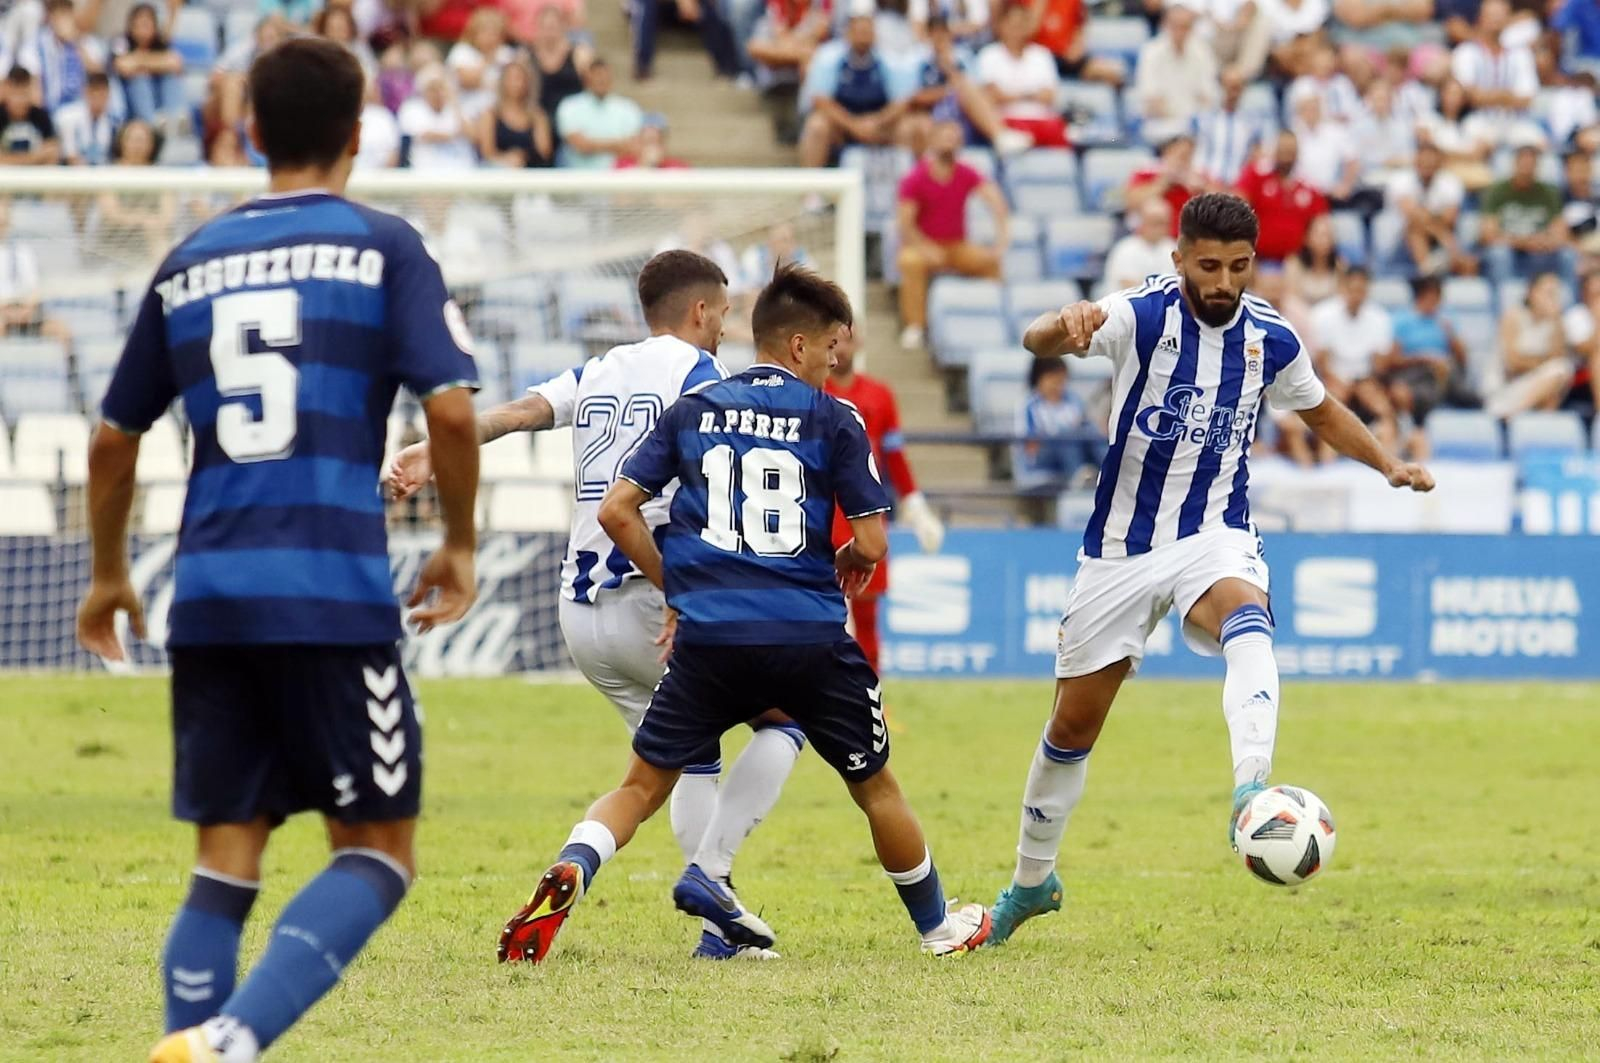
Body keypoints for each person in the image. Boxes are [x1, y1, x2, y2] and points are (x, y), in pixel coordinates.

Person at [75, 38, 482, 1063]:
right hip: (332, 592)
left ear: (247, 131)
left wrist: (111, 572)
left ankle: (188, 1042)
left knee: (224, 864)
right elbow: (452, 411)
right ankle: (230, 1041)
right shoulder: (385, 247)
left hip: (208, 592)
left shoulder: (189, 259)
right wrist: (463, 544)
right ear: (357, 136)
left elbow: (112, 437)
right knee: (381, 854)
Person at [498, 264, 992, 965]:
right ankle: (937, 925)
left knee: (641, 784)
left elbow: (615, 510)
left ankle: (576, 863)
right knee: (875, 783)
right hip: (807, 633)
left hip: (707, 636)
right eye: (830, 349)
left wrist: (678, 587)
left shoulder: (695, 406)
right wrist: (853, 554)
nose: (835, 363)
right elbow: (875, 539)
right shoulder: (836, 416)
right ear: (797, 346)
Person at [990, 193, 1433, 944]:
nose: (1222, 280)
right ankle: (1032, 883)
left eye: (1236, 266)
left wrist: (1386, 462)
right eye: (1206, 266)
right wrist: (1061, 322)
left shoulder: (1271, 338)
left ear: (1252, 262)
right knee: (1071, 726)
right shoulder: (1142, 315)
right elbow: (1039, 341)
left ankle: (1250, 788)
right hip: (1121, 549)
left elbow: (1321, 411)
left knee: (1246, 612)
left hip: (1214, 530)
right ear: (1179, 260)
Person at [387, 250, 808, 962]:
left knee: (682, 761)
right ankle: (714, 888)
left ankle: (583, 867)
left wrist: (437, 443)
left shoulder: (602, 369)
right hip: (655, 604)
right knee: (787, 716)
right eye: (724, 314)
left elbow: (521, 413)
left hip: (579, 618)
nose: (725, 329)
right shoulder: (702, 378)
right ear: (701, 311)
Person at [823, 323, 944, 670]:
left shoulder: (880, 395)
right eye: (836, 341)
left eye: (848, 340)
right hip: (821, 516)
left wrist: (915, 506)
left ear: (859, 342)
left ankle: (870, 698)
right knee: (822, 619)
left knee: (868, 615)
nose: (842, 349)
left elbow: (894, 456)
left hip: (864, 516)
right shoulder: (815, 393)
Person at [894, 118, 1009, 349]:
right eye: (946, 137)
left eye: (955, 139)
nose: (950, 143)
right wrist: (925, 248)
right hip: (924, 245)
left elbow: (995, 200)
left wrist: (1001, 242)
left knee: (990, 263)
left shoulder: (965, 173)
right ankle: (915, 325)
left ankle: (991, 316)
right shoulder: (915, 178)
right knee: (910, 262)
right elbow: (905, 224)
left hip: (956, 246)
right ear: (933, 141)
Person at [901, 15, 1031, 158]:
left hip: (962, 113)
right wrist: (947, 90)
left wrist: (948, 67)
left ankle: (1000, 136)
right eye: (934, 33)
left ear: (949, 35)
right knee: (917, 125)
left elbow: (976, 91)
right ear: (928, 35)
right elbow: (914, 97)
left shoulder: (964, 57)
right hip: (931, 113)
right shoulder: (918, 60)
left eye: (942, 33)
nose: (939, 38)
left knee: (965, 87)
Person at [797, 15, 912, 168]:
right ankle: (810, 187)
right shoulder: (829, 56)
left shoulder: (888, 59)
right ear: (848, 33)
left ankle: (908, 186)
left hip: (879, 124)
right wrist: (853, 125)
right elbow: (820, 100)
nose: (863, 36)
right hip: (841, 126)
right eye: (859, 31)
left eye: (867, 31)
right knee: (817, 125)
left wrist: (877, 122)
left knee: (909, 128)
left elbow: (901, 102)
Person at [1309, 266, 1401, 451]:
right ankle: (1327, 459)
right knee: (1332, 406)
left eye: (1361, 290)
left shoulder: (1379, 317)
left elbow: (1379, 365)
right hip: (1334, 378)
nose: (1356, 295)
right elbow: (1322, 363)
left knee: (1383, 409)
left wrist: (1363, 383)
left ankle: (1389, 460)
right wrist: (1341, 384)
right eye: (1352, 289)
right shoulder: (1322, 315)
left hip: (1365, 379)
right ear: (1343, 288)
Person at [1485, 270, 1584, 417]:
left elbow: (1558, 360)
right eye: (1548, 293)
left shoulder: (1555, 323)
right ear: (1532, 293)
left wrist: (1557, 321)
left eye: (1556, 294)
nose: (1553, 299)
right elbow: (1513, 363)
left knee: (1561, 371)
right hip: (1503, 389)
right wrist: (1541, 363)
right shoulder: (1512, 317)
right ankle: (1511, 416)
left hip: (1534, 388)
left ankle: (1538, 426)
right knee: (1558, 370)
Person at [1384, 274, 1475, 426]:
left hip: (1442, 372)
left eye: (1437, 297)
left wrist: (1451, 335)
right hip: (1413, 372)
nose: (1433, 302)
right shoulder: (1402, 320)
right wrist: (1422, 358)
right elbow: (1392, 360)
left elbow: (1463, 359)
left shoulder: (1446, 319)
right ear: (1420, 296)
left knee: (1445, 373)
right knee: (1405, 391)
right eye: (1429, 296)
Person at [976, 2, 1069, 149]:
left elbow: (1049, 96)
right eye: (1013, 24)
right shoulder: (989, 55)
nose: (1017, 30)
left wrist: (1013, 95)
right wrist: (1031, 95)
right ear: (1002, 26)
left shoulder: (1042, 55)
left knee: (1061, 133)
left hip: (1042, 121)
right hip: (1008, 120)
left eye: (1021, 24)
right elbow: (993, 96)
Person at [1479, 138, 1573, 284]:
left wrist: (1544, 241)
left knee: (1567, 255)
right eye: (1523, 161)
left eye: (1531, 162)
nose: (1527, 166)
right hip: (1510, 249)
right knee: (1499, 254)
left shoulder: (1549, 192)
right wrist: (1523, 242)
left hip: (1540, 250)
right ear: (1515, 163)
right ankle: (1504, 300)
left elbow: (1560, 234)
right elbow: (1488, 235)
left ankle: (1567, 302)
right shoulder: (1497, 191)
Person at [1132, 1, 1219, 146]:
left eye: (1185, 27)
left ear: (1192, 28)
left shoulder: (1203, 53)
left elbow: (1209, 97)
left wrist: (1188, 117)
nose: (1179, 32)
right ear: (1165, 25)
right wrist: (1185, 113)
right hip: (1161, 127)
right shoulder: (1151, 52)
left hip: (1196, 128)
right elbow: (1151, 102)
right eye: (1175, 26)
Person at [1235, 130, 1328, 263]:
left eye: (1290, 152)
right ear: (1274, 151)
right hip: (1257, 258)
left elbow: (1321, 224)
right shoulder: (1255, 174)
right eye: (1282, 151)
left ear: (1297, 154)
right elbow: (1237, 210)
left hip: (1296, 262)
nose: (1286, 157)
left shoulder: (1310, 187)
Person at [1012, 355, 1101, 492]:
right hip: (1041, 459)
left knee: (1091, 431)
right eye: (1052, 380)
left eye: (1061, 381)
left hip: (1075, 451)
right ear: (1039, 379)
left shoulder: (1074, 401)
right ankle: (1077, 478)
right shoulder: (1028, 405)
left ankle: (1112, 471)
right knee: (1063, 435)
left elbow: (1084, 426)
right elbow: (1028, 446)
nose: (1057, 386)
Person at [1385, 139, 1472, 276]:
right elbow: (1412, 216)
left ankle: (1432, 271)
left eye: (1431, 163)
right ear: (1416, 162)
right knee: (1415, 231)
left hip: (1439, 237)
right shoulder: (1400, 180)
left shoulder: (1451, 182)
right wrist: (1441, 233)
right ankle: (1428, 274)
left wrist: (1438, 229)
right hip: (1401, 242)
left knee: (1469, 261)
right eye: (1423, 162)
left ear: (1439, 163)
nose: (1427, 166)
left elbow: (1449, 219)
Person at [555, 57, 644, 169]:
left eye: (604, 75)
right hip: (577, 178)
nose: (601, 79)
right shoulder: (569, 106)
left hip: (618, 179)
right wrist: (618, 145)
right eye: (597, 75)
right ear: (587, 78)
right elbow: (580, 145)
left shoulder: (628, 108)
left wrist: (592, 144)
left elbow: (634, 147)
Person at [1193, 68, 1273, 190]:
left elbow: (1257, 157)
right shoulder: (1203, 119)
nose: (1232, 92)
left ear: (1243, 89)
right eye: (1228, 86)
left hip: (1239, 187)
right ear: (1220, 87)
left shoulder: (1253, 122)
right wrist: (1205, 181)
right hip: (1206, 184)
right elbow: (1194, 154)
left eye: (1236, 87)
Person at [111, 2, 183, 130]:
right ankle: (152, 126)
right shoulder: (121, 41)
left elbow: (175, 63)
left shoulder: (159, 43)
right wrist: (154, 63)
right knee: (140, 78)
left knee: (170, 77)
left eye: (146, 24)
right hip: (129, 100)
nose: (142, 29)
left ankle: (175, 120)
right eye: (138, 24)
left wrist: (139, 61)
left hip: (158, 96)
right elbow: (123, 66)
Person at [474, 57, 554, 167]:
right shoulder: (491, 115)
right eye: (512, 78)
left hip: (531, 171)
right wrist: (507, 159)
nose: (516, 83)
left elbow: (544, 151)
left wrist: (523, 156)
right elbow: (487, 153)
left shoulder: (537, 116)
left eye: (521, 78)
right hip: (500, 173)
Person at [398, 63, 477, 170]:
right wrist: (454, 136)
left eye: (442, 87)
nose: (438, 92)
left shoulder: (457, 107)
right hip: (425, 170)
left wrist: (455, 105)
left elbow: (472, 135)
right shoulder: (412, 108)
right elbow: (426, 135)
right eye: (433, 88)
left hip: (461, 168)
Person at [1125, 134, 1199, 237]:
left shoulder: (1198, 176)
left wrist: (1201, 188)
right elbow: (1130, 203)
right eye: (1181, 155)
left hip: (1189, 239)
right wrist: (1163, 183)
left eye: (1189, 156)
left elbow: (1223, 205)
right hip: (1152, 239)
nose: (1184, 161)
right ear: (1167, 153)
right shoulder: (1146, 172)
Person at [1103, 198, 1177, 290]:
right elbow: (1129, 285)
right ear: (1142, 223)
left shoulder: (1172, 247)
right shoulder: (1126, 249)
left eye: (1164, 223)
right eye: (1156, 223)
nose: (1161, 228)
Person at [54, 67, 116, 164]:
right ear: (86, 92)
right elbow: (70, 155)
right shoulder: (66, 117)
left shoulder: (111, 121)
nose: (100, 100)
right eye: (96, 94)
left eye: (103, 95)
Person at [0, 66, 60, 164]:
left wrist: (11, 160)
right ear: (7, 91)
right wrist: (35, 157)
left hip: (37, 177)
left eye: (23, 94)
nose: (19, 101)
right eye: (15, 94)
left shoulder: (41, 116)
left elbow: (52, 154)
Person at [615, 112, 688, 168]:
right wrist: (645, 165)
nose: (651, 148)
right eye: (647, 142)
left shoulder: (676, 166)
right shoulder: (623, 163)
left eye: (656, 141)